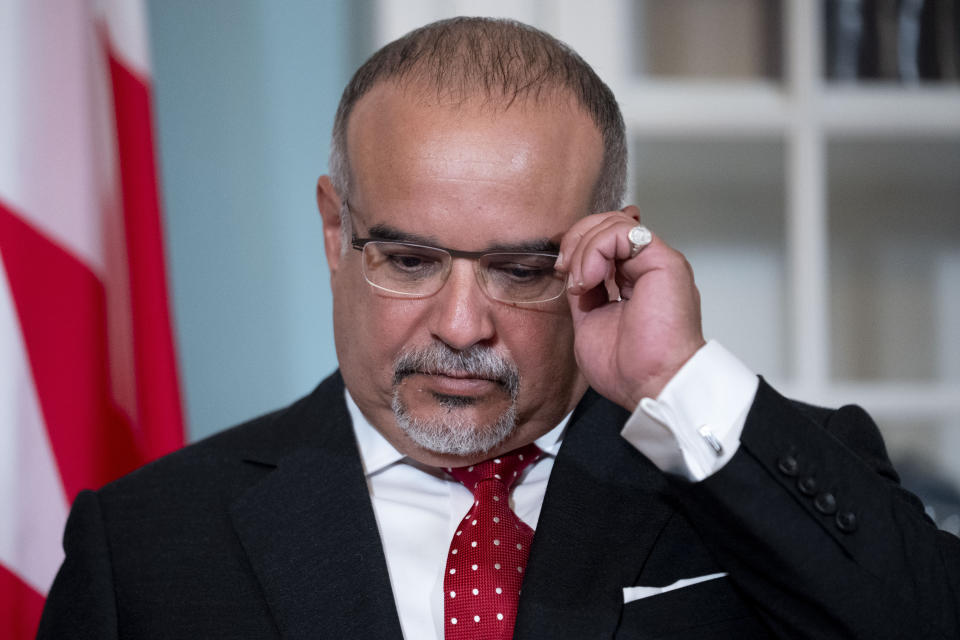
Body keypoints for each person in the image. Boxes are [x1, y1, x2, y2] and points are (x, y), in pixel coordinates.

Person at [38, 17, 959, 640]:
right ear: (335, 229)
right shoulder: (146, 545)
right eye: (408, 260)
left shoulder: (731, 466)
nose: (462, 323)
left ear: (607, 249)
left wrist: (677, 382)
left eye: (522, 270)